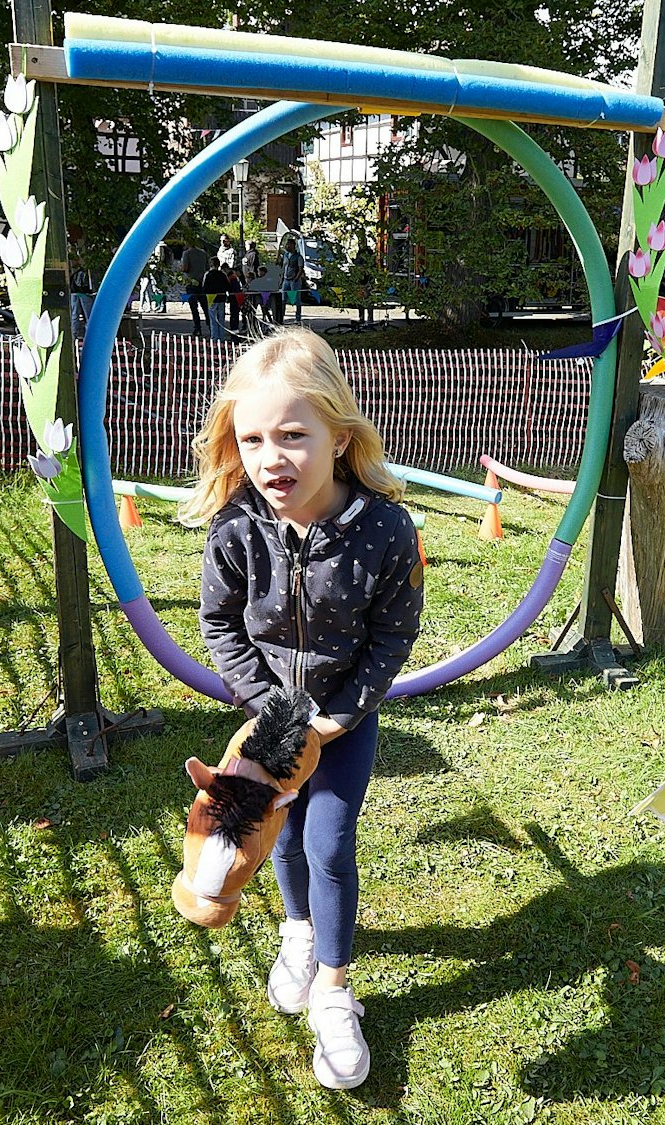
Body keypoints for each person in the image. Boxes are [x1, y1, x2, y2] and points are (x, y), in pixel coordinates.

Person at [180, 329, 423, 1091]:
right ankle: (298, 931)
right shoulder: (236, 526)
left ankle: (332, 986)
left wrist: (340, 715)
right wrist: (268, 709)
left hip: (341, 723)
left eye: (293, 435)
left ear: (339, 436)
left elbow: (394, 632)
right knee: (274, 836)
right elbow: (220, 623)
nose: (270, 457)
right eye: (252, 438)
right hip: (271, 723)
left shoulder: (384, 528)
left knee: (327, 840)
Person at [181, 241, 210, 336]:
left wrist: (181, 269)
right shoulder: (203, 253)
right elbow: (207, 267)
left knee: (194, 308)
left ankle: (197, 328)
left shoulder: (187, 253)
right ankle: (211, 326)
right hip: (203, 282)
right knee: (206, 307)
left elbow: (185, 268)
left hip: (191, 282)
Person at [200, 260, 231, 342]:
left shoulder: (208, 274)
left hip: (211, 298)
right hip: (221, 298)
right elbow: (228, 286)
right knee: (221, 319)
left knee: (213, 319)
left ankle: (214, 337)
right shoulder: (223, 274)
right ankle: (221, 337)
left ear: (211, 264)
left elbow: (204, 287)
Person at [280, 236, 308, 325]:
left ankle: (298, 318)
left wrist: (296, 278)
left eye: (288, 244)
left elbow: (300, 269)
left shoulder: (298, 257)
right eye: (286, 244)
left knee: (297, 300)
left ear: (293, 245)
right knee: (283, 299)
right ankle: (281, 316)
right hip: (285, 279)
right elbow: (283, 266)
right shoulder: (285, 255)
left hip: (294, 281)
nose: (286, 246)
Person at [69, 255, 95, 338]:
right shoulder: (87, 271)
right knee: (88, 316)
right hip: (85, 294)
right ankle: (89, 336)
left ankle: (74, 335)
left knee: (74, 315)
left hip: (74, 293)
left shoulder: (74, 271)